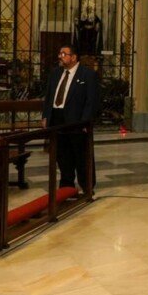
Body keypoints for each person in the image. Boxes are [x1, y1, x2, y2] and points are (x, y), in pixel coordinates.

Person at [41, 43, 99, 194]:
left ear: (74, 57)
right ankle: (67, 186)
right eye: (60, 53)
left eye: (64, 54)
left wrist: (85, 121)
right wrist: (46, 115)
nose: (60, 56)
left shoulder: (87, 74)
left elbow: (91, 101)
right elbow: (49, 97)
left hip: (77, 121)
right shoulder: (55, 73)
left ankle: (87, 186)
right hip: (57, 119)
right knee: (63, 155)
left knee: (81, 155)